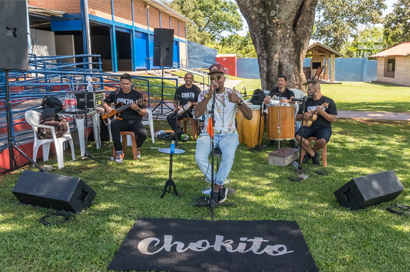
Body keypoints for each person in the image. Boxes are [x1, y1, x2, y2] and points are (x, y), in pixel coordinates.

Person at [194, 64, 252, 204]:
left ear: (224, 78)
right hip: (208, 133)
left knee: (228, 156)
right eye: (212, 77)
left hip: (229, 134)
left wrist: (239, 102)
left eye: (218, 77)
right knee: (199, 156)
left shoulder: (233, 94)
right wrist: (207, 97)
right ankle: (219, 185)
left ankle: (215, 189)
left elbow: (249, 116)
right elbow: (196, 114)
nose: (216, 80)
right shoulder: (204, 94)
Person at [102, 73, 147, 162]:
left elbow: (144, 113)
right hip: (121, 120)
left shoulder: (137, 95)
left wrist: (137, 108)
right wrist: (107, 107)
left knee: (143, 133)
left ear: (131, 83)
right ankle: (119, 151)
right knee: (114, 123)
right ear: (120, 83)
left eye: (127, 84)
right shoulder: (116, 93)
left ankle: (137, 147)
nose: (125, 86)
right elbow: (103, 102)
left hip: (134, 121)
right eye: (123, 84)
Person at [295, 80, 337, 166]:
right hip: (309, 127)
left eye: (309, 89)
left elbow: (333, 119)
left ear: (315, 91)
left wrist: (322, 113)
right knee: (298, 136)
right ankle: (314, 155)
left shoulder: (328, 101)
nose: (307, 91)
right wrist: (303, 115)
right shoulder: (306, 102)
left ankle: (309, 154)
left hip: (324, 127)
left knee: (322, 141)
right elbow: (297, 117)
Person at [263, 75, 296, 147]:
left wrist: (286, 101)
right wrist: (266, 99)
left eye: (281, 81)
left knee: (289, 121)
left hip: (286, 114)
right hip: (275, 114)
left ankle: (291, 139)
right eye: (278, 81)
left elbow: (293, 100)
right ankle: (272, 139)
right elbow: (268, 97)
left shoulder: (289, 92)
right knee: (272, 119)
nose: (279, 82)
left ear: (285, 82)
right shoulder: (273, 91)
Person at [167, 72, 201, 141]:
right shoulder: (180, 89)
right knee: (170, 117)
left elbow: (200, 103)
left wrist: (192, 103)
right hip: (182, 110)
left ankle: (182, 134)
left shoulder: (196, 89)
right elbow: (175, 101)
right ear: (184, 78)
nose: (188, 79)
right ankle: (181, 134)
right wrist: (177, 106)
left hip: (192, 111)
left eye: (190, 78)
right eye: (187, 78)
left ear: (192, 79)